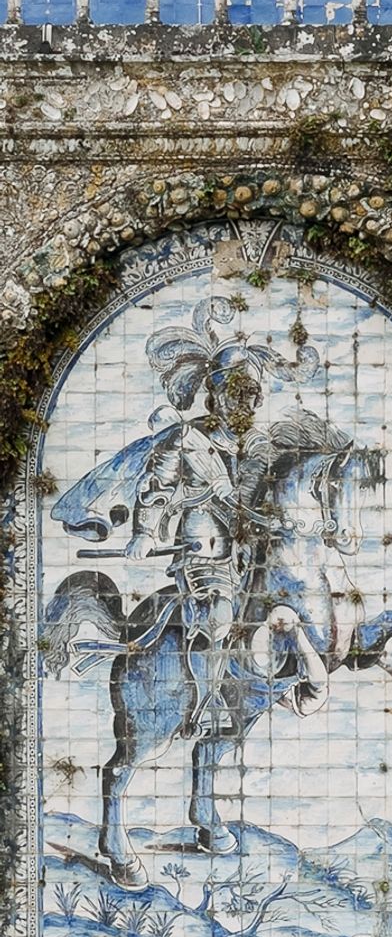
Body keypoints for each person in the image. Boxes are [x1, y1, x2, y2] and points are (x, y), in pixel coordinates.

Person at [52, 298, 321, 737]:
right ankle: (210, 706)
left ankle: (285, 684)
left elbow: (271, 498)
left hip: (254, 558)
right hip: (205, 556)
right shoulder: (187, 439)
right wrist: (144, 532)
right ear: (215, 396)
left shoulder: (262, 445)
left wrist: (292, 522)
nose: (242, 403)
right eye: (233, 394)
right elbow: (155, 487)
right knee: (219, 618)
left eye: (249, 395)